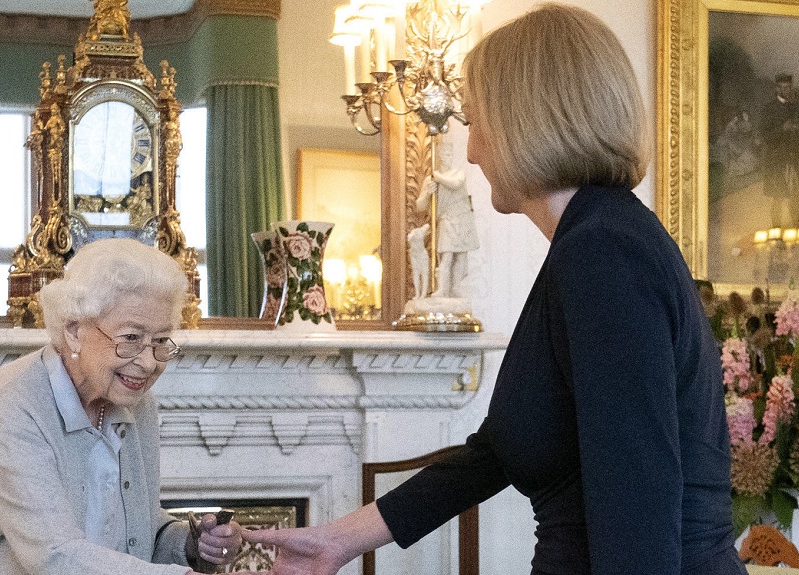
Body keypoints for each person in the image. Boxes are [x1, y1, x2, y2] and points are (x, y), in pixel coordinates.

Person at [244, 4, 744, 575]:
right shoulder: (595, 238)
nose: (473, 151)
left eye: (478, 122)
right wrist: (336, 541)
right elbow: (498, 452)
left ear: (526, 122)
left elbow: (639, 512)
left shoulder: (603, 250)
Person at [0, 238, 243, 575]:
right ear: (74, 331)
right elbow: (55, 556)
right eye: (130, 338)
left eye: (159, 341)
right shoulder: (9, 408)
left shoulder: (136, 402)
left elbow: (137, 531)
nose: (148, 362)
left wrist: (192, 545)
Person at [414, 139, 479, 299]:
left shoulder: (457, 174)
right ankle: (442, 289)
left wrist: (439, 178)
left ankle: (455, 287)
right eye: (445, 154)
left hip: (462, 218)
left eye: (450, 154)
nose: (448, 157)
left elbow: (456, 184)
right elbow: (420, 206)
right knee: (447, 255)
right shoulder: (430, 180)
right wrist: (428, 193)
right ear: (440, 156)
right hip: (447, 220)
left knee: (461, 257)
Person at [758, 73, 799, 228]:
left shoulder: (796, 108)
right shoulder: (768, 109)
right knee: (778, 198)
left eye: (788, 87)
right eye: (783, 87)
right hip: (777, 160)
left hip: (794, 158)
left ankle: (797, 230)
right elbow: (765, 135)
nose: (786, 90)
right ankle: (776, 232)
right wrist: (782, 128)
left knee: (795, 197)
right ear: (777, 88)